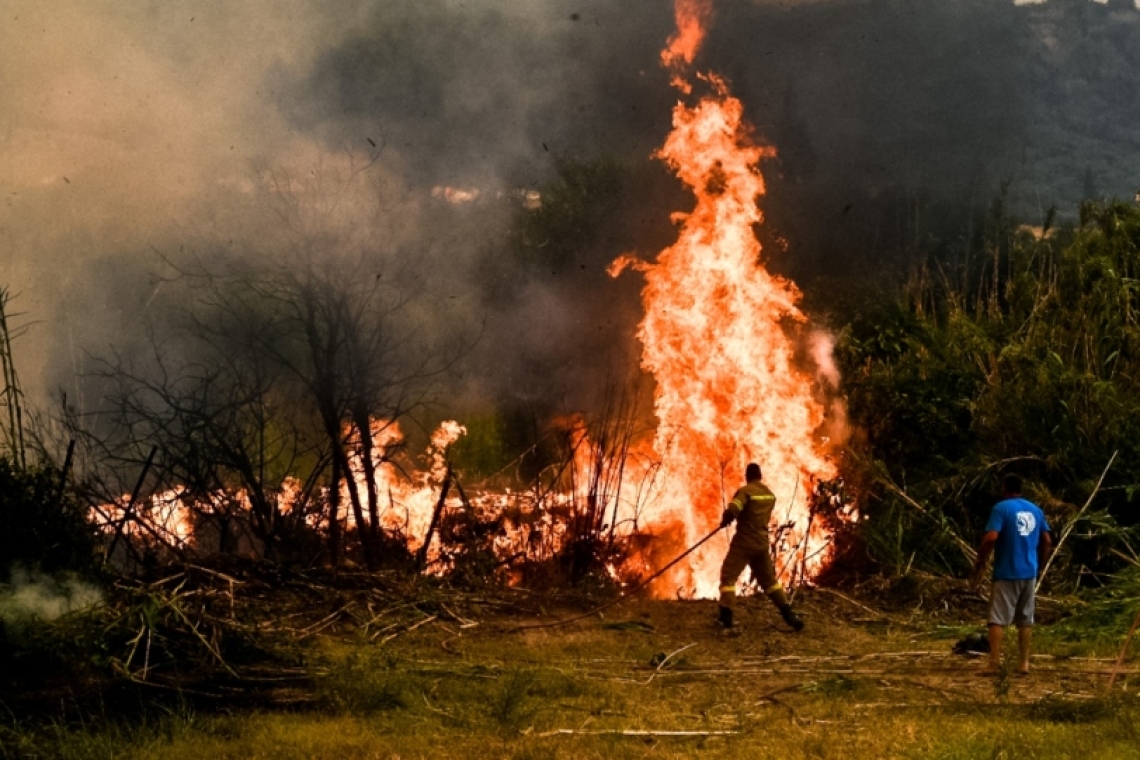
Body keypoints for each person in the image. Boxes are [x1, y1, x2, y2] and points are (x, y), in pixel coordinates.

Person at [971, 473, 1053, 675]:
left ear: (1004, 488)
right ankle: (1024, 663)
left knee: (997, 618)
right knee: (1025, 619)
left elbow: (991, 537)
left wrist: (981, 559)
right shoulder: (1035, 509)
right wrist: (1040, 564)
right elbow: (1047, 540)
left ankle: (994, 663)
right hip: (1029, 572)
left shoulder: (1001, 508)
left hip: (1007, 571)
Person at [717, 462, 804, 631]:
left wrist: (726, 518)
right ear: (760, 476)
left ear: (747, 476)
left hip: (743, 543)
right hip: (761, 544)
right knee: (770, 582)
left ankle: (726, 617)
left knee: (728, 576)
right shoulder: (769, 495)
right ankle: (789, 614)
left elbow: (734, 509)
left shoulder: (745, 492)